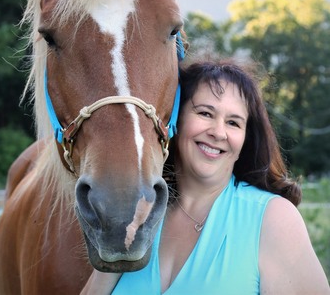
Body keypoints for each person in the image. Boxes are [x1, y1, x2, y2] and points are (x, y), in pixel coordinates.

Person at [81, 59, 330, 294]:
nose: (218, 132)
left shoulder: (273, 218)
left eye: (234, 123)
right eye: (205, 114)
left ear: (245, 139)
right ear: (174, 120)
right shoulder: (140, 211)